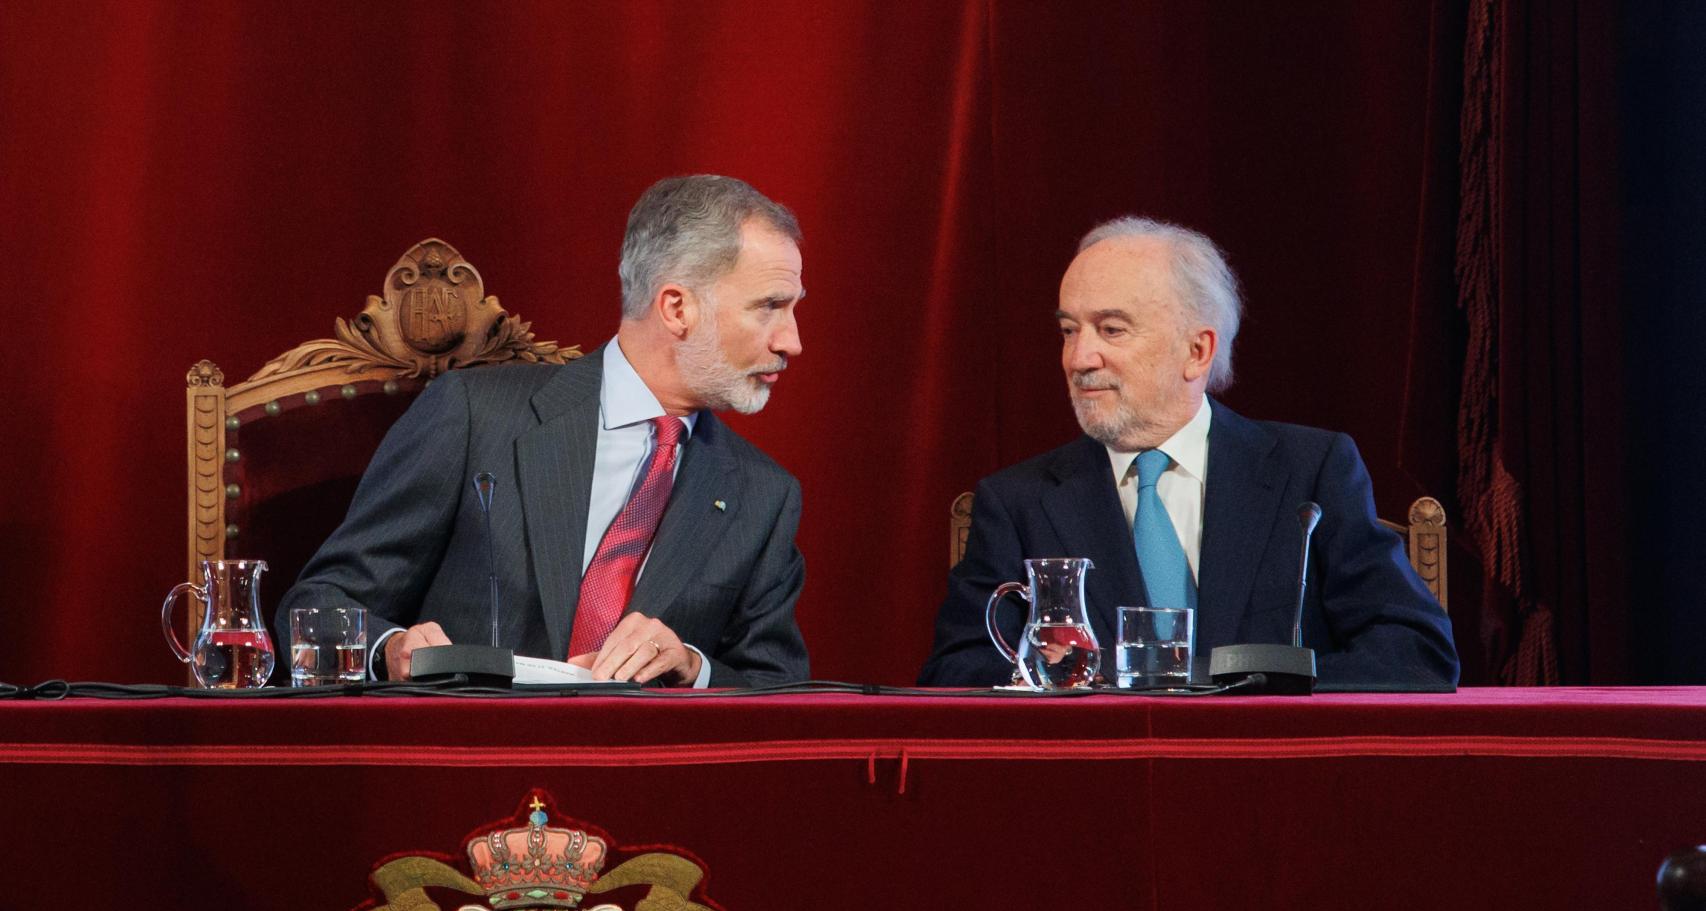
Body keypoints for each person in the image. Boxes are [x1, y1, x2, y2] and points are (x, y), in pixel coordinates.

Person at [278, 175, 809, 687]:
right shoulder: (474, 416)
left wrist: (693, 667)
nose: (792, 341)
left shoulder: (763, 495)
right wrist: (391, 650)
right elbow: (318, 605)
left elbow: (778, 691)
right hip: (469, 761)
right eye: (770, 307)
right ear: (677, 308)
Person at [919, 216, 1458, 688]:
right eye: (1068, 330)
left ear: (1197, 351)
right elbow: (958, 671)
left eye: (1111, 329)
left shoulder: (1309, 473)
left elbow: (1415, 652)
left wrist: (1261, 684)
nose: (1080, 357)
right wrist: (1072, 678)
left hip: (1274, 781)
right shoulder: (1018, 502)